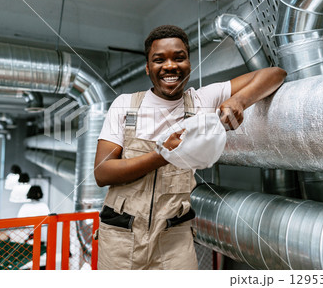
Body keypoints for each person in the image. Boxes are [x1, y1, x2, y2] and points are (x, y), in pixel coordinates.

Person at [94, 25, 286, 270]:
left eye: (179, 57)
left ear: (189, 64)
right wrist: (163, 155)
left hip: (174, 240)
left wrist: (239, 99)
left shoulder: (202, 100)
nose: (170, 66)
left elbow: (275, 73)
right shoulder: (125, 105)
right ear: (147, 68)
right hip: (121, 237)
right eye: (159, 60)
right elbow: (102, 172)